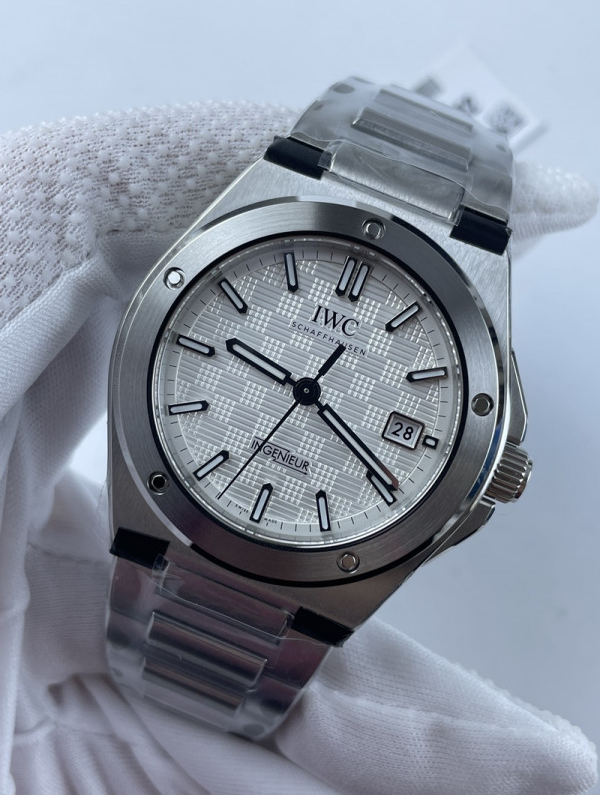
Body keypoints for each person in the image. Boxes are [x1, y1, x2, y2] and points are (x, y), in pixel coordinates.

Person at [0, 100, 597, 795]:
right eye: (302, 385)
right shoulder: (289, 185)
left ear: (495, 472)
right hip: (173, 523)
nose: (307, 390)